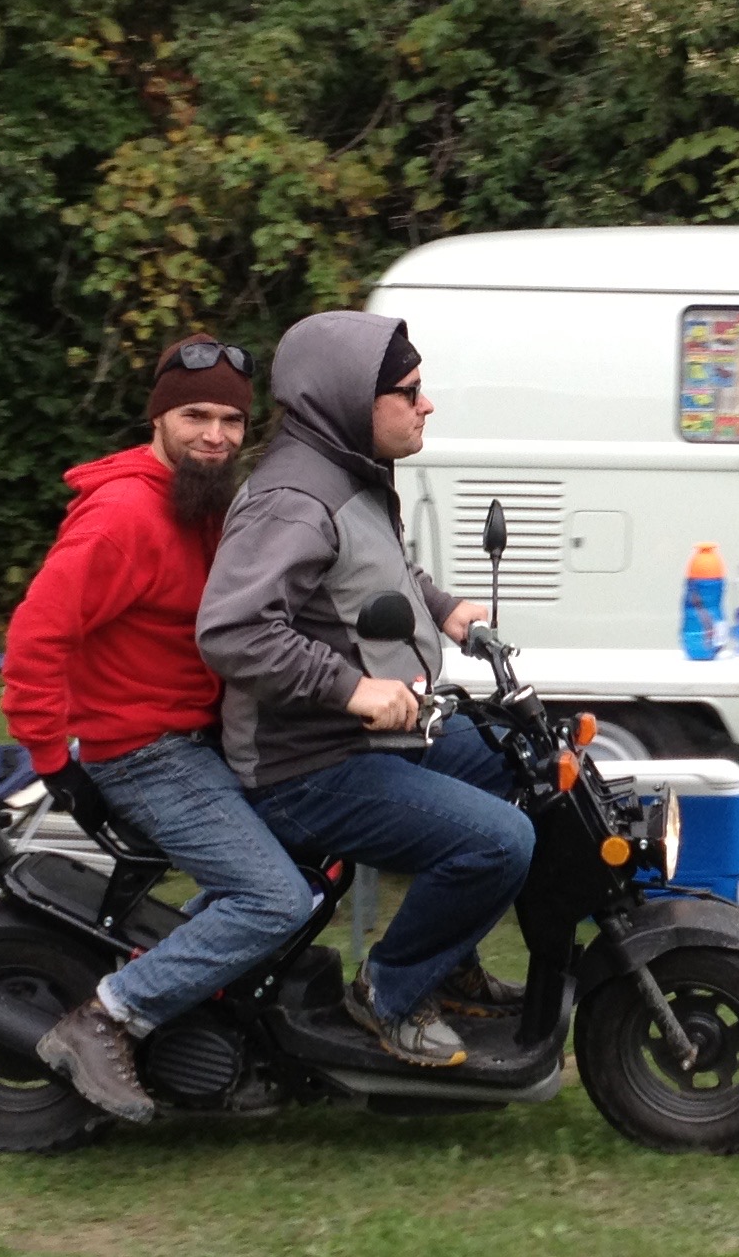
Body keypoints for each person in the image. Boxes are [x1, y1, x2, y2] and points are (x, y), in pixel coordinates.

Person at [199, 311, 528, 1068]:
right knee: (498, 842)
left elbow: (377, 569)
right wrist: (352, 689)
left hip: (372, 734)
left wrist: (442, 607)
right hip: (304, 764)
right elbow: (233, 631)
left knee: (518, 758)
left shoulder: (350, 470)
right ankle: (391, 990)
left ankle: (448, 964)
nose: (426, 404)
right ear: (350, 398)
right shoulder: (293, 499)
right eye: (409, 392)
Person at [0, 335, 314, 1121]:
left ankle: (212, 1026)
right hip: (145, 754)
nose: (216, 435)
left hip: (202, 740)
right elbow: (36, 638)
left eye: (231, 421)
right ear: (160, 418)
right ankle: (106, 1018)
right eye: (195, 416)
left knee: (321, 852)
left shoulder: (199, 503)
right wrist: (52, 760)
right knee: (275, 900)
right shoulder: (122, 518)